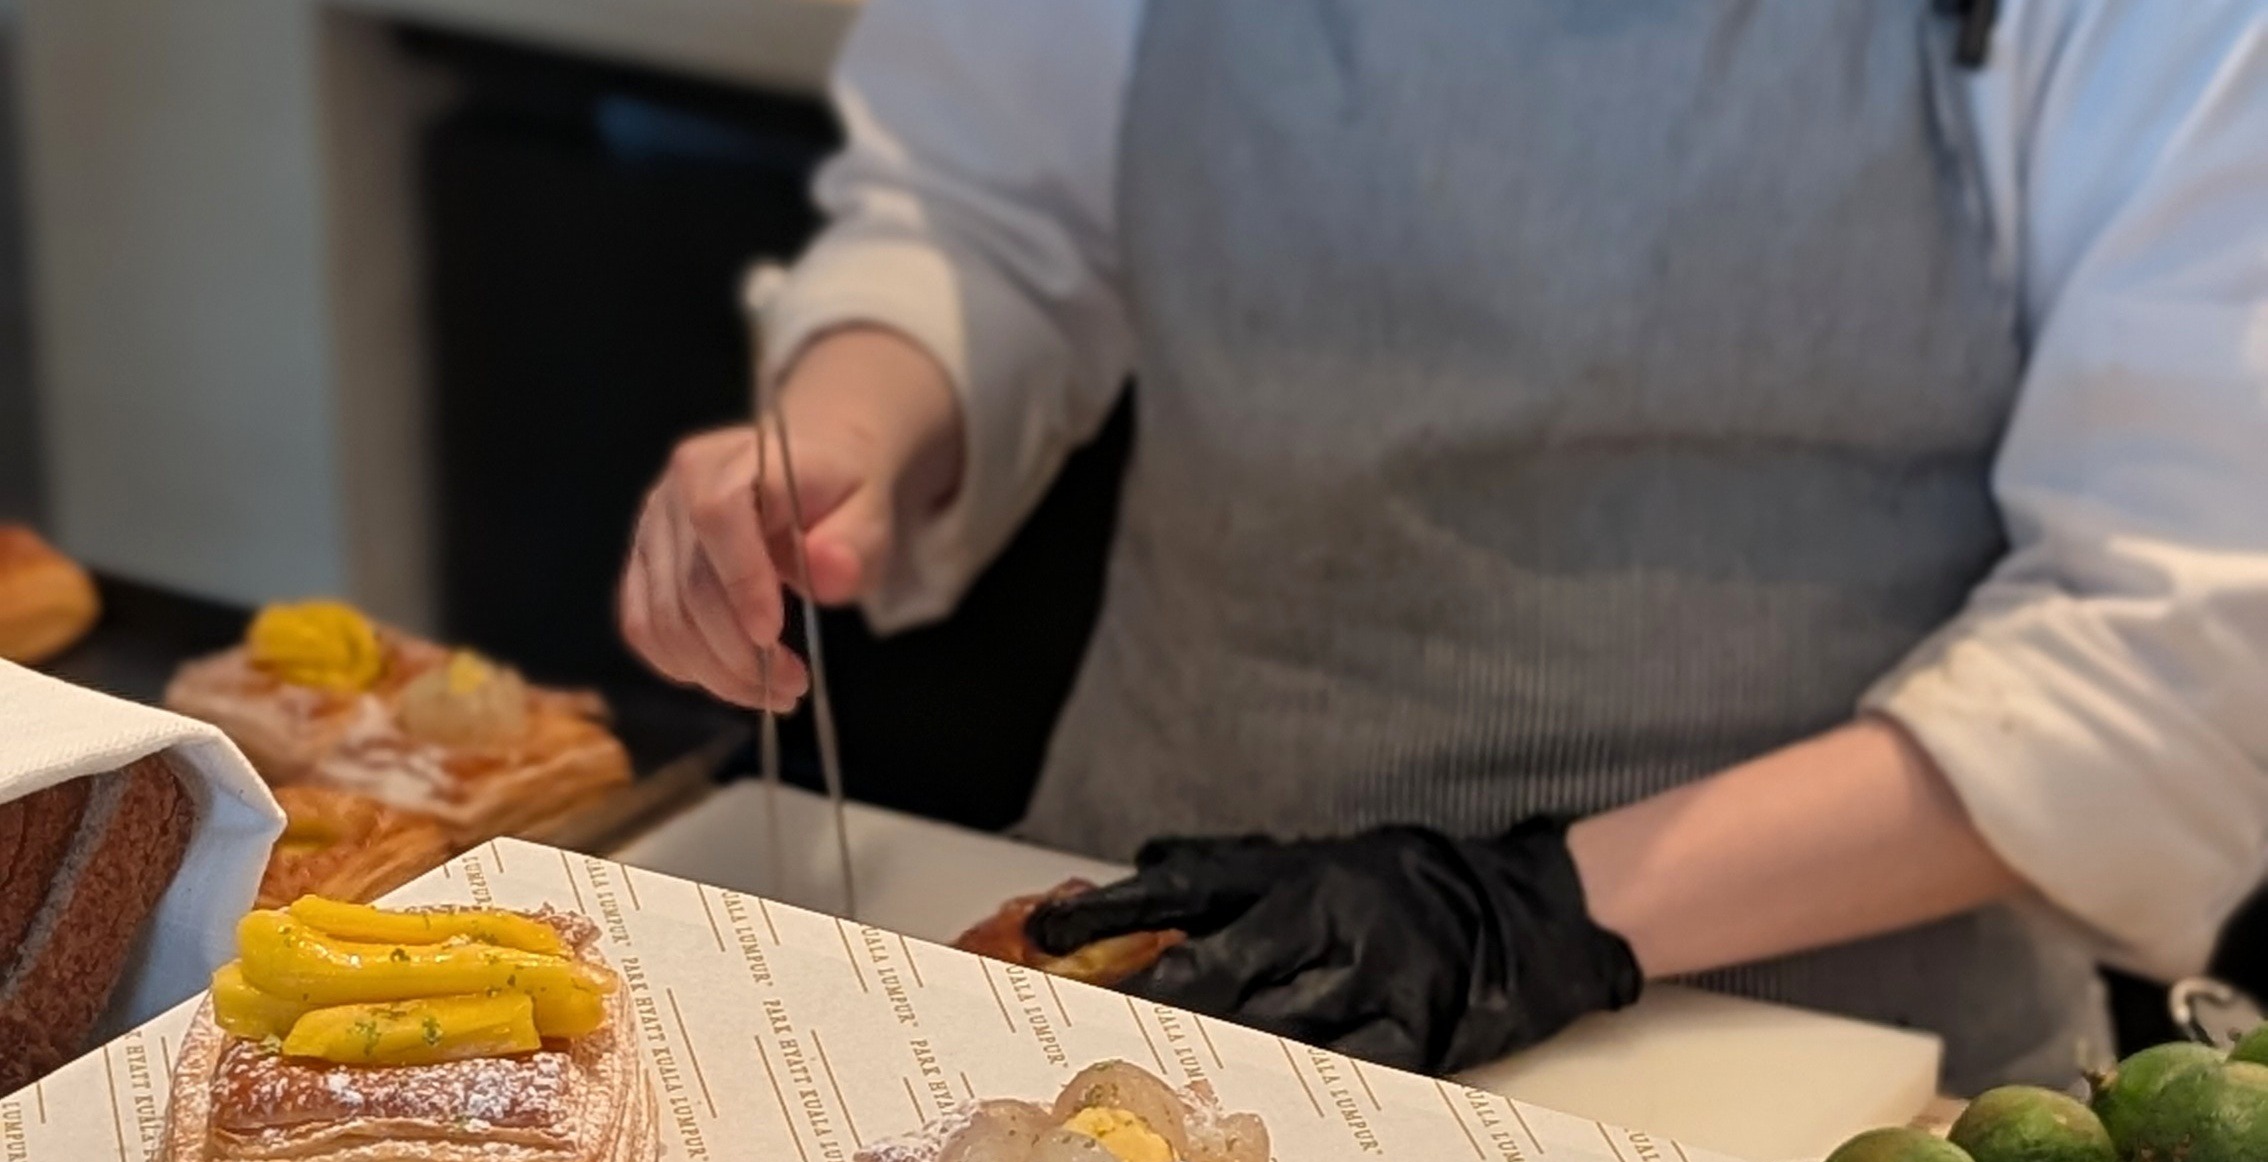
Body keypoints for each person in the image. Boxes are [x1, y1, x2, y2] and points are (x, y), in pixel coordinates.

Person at [620, 0, 2268, 1091]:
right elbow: (987, 215)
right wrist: (850, 422)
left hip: (1823, 1056)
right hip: (1153, 944)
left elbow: (2163, 642)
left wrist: (1521, 917)